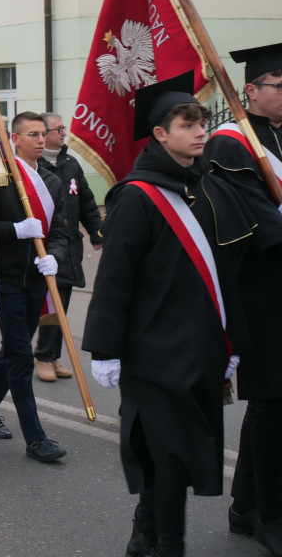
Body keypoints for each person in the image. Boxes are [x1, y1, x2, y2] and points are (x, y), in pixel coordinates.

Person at [83, 73, 256, 557]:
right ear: (160, 134)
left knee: (171, 456)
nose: (201, 132)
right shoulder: (137, 195)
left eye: (202, 123)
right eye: (188, 124)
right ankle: (168, 546)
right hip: (153, 354)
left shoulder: (208, 189)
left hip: (200, 348)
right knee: (171, 453)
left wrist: (232, 342)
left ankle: (145, 535)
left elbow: (227, 275)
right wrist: (105, 348)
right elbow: (115, 279)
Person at [205, 43, 282, 556]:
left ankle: (245, 505)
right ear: (250, 91)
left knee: (273, 402)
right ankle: (269, 515)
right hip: (261, 289)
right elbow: (255, 223)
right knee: (275, 401)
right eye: (280, 84)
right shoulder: (231, 144)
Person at [0, 111, 69, 463]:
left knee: (15, 348)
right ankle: (36, 438)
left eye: (44, 133)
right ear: (15, 139)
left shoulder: (51, 181)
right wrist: (15, 230)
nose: (42, 140)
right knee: (20, 356)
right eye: (33, 134)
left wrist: (55, 257)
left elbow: (59, 230)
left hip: (36, 279)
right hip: (8, 278)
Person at [33, 112, 103, 382]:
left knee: (61, 300)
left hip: (68, 246)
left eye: (64, 128)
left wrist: (97, 232)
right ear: (44, 133)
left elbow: (86, 200)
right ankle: (42, 355)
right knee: (50, 305)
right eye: (58, 129)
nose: (64, 133)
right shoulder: (34, 165)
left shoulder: (71, 163)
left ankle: (51, 354)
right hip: (46, 247)